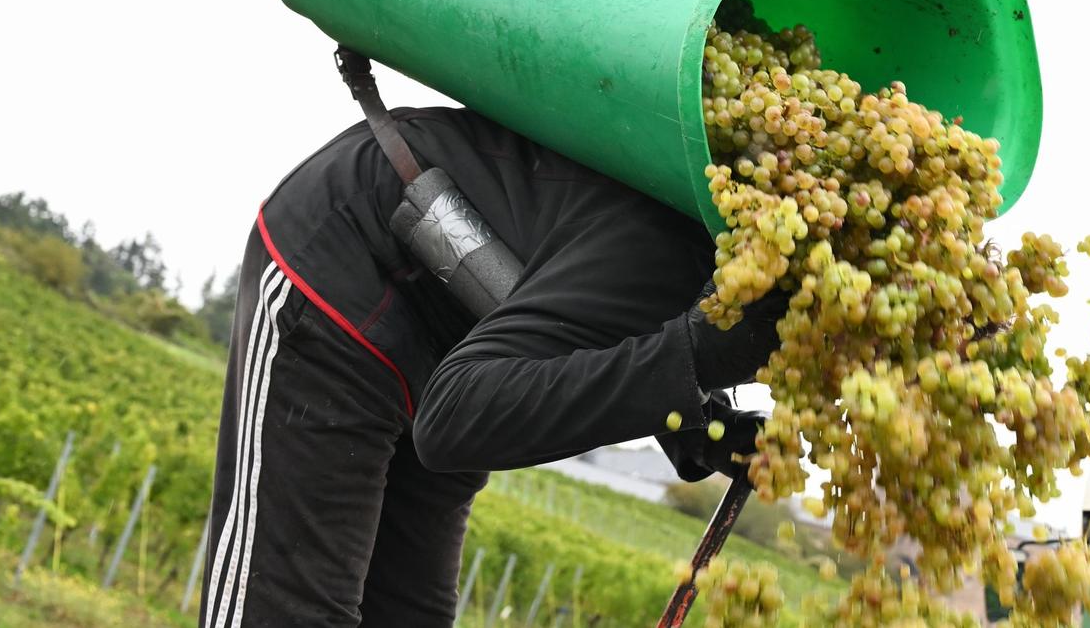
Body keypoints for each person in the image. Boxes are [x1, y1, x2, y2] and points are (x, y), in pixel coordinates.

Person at [199, 105, 788, 627]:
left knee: (409, 615)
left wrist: (697, 416)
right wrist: (690, 361)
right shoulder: (669, 251)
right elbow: (450, 423)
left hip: (471, 337)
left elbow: (589, 320)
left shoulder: (710, 262)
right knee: (292, 611)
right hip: (351, 261)